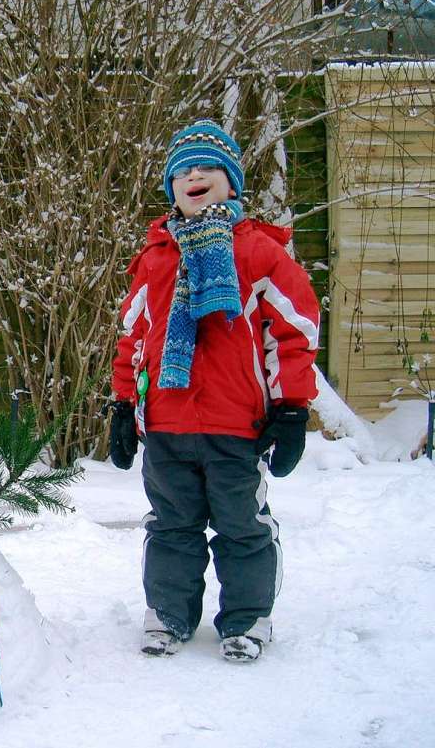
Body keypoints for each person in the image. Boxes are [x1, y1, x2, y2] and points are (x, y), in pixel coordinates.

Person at [108, 120, 320, 663]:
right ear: (170, 188)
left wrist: (292, 408)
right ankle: (169, 616)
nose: (193, 178)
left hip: (235, 425)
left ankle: (247, 620)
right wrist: (124, 403)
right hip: (170, 427)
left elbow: (294, 331)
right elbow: (134, 337)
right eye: (181, 172)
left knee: (240, 526)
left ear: (231, 183)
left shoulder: (258, 254)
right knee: (171, 526)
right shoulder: (157, 259)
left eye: (206, 169)